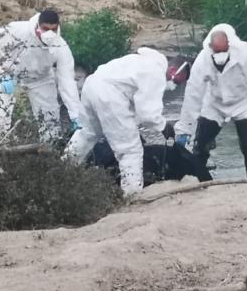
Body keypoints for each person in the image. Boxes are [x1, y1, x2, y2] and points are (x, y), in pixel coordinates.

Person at [63, 47, 183, 196]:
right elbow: (147, 113)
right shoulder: (156, 73)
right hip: (109, 96)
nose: (176, 85)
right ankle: (132, 195)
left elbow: (136, 105)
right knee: (130, 150)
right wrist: (164, 126)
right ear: (173, 71)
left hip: (91, 86)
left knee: (87, 133)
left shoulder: (139, 61)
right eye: (178, 80)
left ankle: (62, 169)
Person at [174, 24, 247, 184]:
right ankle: (200, 182)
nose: (220, 54)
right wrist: (185, 127)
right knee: (200, 146)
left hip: (244, 102)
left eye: (223, 50)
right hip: (214, 103)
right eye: (216, 51)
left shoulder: (246, 53)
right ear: (210, 47)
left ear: (229, 44)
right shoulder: (203, 59)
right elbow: (193, 94)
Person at [0, 10, 81, 144]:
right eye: (45, 29)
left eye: (53, 29)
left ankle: (49, 149)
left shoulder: (61, 46)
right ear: (38, 26)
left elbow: (67, 80)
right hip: (11, 75)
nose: (50, 33)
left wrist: (76, 114)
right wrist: (0, 74)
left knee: (50, 118)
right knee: (1, 110)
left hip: (40, 78)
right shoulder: (17, 30)